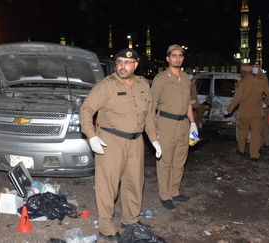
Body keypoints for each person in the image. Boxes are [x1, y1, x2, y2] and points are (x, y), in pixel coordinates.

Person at [80, 48, 161, 240]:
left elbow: (148, 115)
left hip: (136, 142)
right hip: (111, 141)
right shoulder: (106, 85)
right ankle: (107, 226)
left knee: (134, 183)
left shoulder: (143, 84)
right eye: (119, 62)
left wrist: (154, 139)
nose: (122, 66)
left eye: (127, 62)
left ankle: (130, 220)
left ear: (136, 65)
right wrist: (91, 136)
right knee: (108, 185)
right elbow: (86, 110)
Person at [151, 44, 197, 210]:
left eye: (180, 56)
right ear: (168, 58)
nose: (177, 58)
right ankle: (165, 195)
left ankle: (174, 191)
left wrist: (193, 124)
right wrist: (152, 128)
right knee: (165, 161)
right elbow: (152, 105)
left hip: (183, 124)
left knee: (180, 160)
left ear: (182, 59)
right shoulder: (161, 78)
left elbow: (188, 105)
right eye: (174, 56)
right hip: (166, 124)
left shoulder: (186, 78)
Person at [226, 64, 269, 162]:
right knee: (256, 134)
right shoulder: (261, 82)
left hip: (244, 113)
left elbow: (237, 99)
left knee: (243, 132)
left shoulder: (242, 83)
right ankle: (255, 156)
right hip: (257, 113)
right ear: (252, 72)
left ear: (243, 73)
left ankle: (241, 150)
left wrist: (229, 110)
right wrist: (265, 103)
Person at [253, 64, 269, 148]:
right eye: (253, 68)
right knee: (264, 124)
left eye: (255, 68)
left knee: (259, 125)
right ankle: (268, 143)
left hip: (262, 104)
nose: (253, 69)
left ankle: (260, 144)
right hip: (261, 104)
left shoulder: (262, 78)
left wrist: (266, 103)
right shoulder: (258, 77)